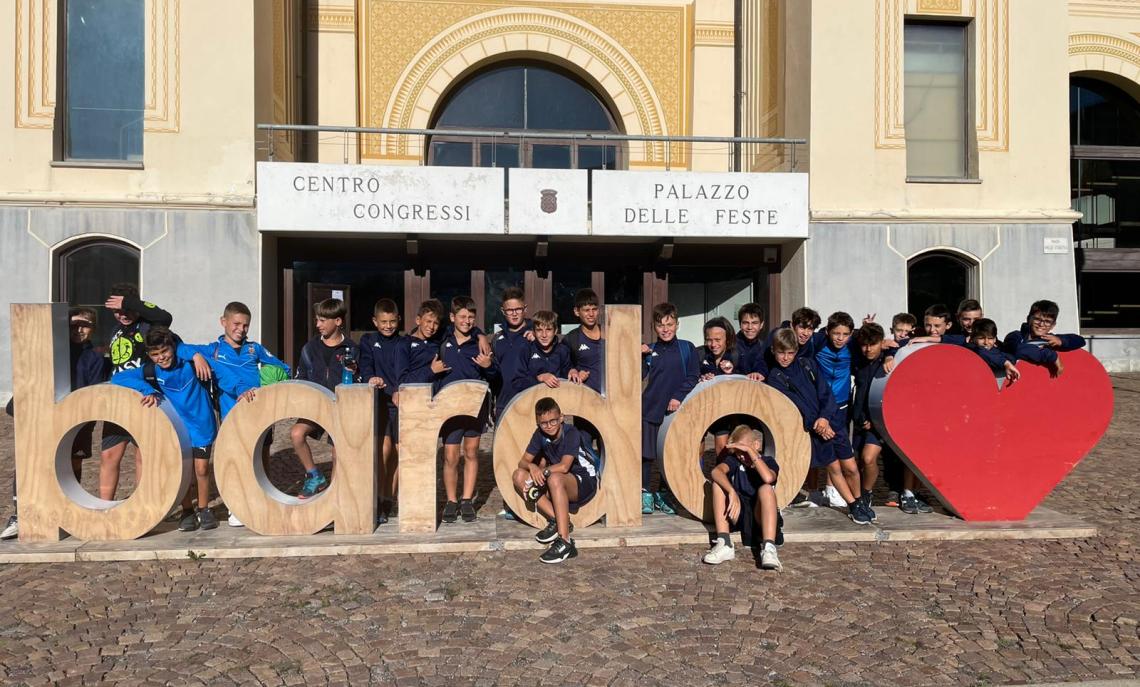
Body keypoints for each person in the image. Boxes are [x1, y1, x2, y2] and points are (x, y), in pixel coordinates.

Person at [176, 301, 289, 526]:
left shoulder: (254, 349)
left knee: (260, 456)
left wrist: (269, 379)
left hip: (259, 413)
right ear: (223, 322)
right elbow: (180, 348)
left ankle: (263, 498)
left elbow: (282, 367)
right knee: (236, 459)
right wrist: (197, 356)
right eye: (236, 323)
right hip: (231, 416)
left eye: (246, 325)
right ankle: (235, 506)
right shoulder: (213, 350)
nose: (241, 329)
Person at [112, 327, 219, 531]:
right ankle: (187, 510)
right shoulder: (151, 371)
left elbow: (204, 350)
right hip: (177, 427)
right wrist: (147, 389)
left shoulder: (189, 361)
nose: (161, 357)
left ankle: (204, 509)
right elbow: (119, 378)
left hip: (201, 424)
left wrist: (196, 356)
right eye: (155, 354)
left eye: (165, 351)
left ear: (173, 347)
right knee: (183, 470)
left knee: (202, 469)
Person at [764, 328, 874, 525]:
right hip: (815, 431)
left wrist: (825, 418)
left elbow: (825, 394)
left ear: (796, 351)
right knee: (834, 468)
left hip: (832, 422)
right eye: (781, 353)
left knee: (851, 466)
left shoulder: (808, 365)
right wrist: (817, 425)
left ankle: (860, 501)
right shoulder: (775, 377)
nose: (785, 357)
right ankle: (852, 505)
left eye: (790, 352)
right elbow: (793, 407)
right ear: (773, 351)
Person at [100, 284, 174, 501]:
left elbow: (165, 317)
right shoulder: (115, 331)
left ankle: (144, 505)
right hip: (117, 402)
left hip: (144, 399)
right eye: (117, 311)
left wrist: (129, 303)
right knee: (109, 455)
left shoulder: (147, 326)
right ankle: (104, 507)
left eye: (125, 309)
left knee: (143, 455)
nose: (122, 315)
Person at [511, 397, 600, 564]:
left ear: (561, 418)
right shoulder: (539, 435)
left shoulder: (571, 432)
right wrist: (532, 467)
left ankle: (565, 542)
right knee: (519, 475)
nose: (549, 426)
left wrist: (542, 471)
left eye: (553, 421)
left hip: (583, 481)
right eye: (544, 423)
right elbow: (522, 462)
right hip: (556, 481)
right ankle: (557, 519)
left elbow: (565, 466)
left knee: (554, 477)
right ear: (538, 423)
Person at [437, 296, 498, 523]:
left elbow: (493, 376)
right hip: (450, 407)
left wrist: (488, 366)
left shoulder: (480, 343)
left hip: (475, 406)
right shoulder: (442, 339)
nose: (467, 321)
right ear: (452, 318)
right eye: (462, 317)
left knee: (471, 452)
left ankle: (466, 500)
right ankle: (451, 501)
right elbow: (420, 330)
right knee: (451, 456)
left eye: (471, 317)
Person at [291, 298, 360, 499]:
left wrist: (355, 373)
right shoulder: (309, 348)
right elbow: (300, 378)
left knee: (338, 451)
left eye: (323, 320)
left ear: (338, 321)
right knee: (296, 434)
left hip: (341, 408)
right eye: (317, 320)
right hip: (316, 407)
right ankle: (314, 476)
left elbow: (360, 382)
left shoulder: (352, 348)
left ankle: (335, 495)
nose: (318, 325)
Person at [641, 302, 699, 515]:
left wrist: (677, 397)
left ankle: (665, 494)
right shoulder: (649, 350)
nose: (665, 329)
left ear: (677, 324)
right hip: (649, 410)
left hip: (676, 412)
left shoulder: (687, 348)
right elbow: (635, 378)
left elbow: (693, 376)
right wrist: (637, 355)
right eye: (660, 325)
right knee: (646, 455)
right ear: (654, 327)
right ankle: (646, 492)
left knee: (671, 455)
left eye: (669, 324)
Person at [703, 425, 782, 570]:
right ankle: (724, 543)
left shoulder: (768, 461)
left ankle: (769, 548)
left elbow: (768, 477)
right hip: (739, 512)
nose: (741, 455)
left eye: (744, 450)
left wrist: (751, 453)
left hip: (761, 514)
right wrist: (731, 491)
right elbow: (716, 472)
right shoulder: (735, 461)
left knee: (766, 488)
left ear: (756, 445)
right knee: (718, 484)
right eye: (738, 452)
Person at [358, 298, 405, 524]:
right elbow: (365, 364)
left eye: (392, 321)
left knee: (398, 453)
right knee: (383, 451)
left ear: (399, 320)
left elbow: (407, 371)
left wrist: (399, 390)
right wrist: (370, 378)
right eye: (384, 322)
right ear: (375, 321)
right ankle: (378, 497)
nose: (388, 326)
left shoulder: (404, 343)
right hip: (379, 403)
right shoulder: (368, 341)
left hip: (400, 404)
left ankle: (389, 499)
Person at [849, 323, 895, 511]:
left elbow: (901, 344)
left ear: (881, 343)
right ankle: (860, 493)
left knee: (868, 459)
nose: (868, 349)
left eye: (873, 344)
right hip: (858, 420)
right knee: (859, 462)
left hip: (877, 422)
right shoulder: (859, 360)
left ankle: (867, 492)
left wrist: (890, 353)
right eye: (864, 345)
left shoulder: (887, 360)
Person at [1003, 300, 1086, 376]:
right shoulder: (1015, 336)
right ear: (1029, 319)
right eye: (1037, 319)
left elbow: (1080, 340)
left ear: (1053, 325)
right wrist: (1052, 356)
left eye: (1047, 321)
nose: (1041, 324)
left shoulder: (1050, 339)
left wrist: (1061, 341)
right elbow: (1019, 350)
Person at [696, 316, 741, 455]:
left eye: (717, 340)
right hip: (701, 407)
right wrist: (701, 379)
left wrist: (731, 373)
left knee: (722, 448)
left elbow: (743, 380)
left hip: (724, 409)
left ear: (727, 339)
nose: (713, 344)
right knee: (697, 445)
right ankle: (697, 476)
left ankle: (719, 476)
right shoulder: (699, 353)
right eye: (709, 340)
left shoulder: (736, 355)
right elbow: (690, 376)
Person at [491, 287, 533, 418]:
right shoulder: (497, 339)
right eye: (509, 310)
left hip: (530, 403)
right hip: (503, 404)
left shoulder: (536, 334)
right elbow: (494, 374)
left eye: (518, 309)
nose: (514, 314)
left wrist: (539, 340)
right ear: (503, 311)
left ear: (525, 309)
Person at [513, 310, 570, 392]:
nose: (544, 335)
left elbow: (568, 378)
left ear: (555, 330)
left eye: (548, 329)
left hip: (558, 399)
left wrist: (573, 372)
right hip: (531, 400)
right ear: (534, 332)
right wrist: (539, 378)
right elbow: (516, 383)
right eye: (539, 330)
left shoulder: (563, 350)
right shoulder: (526, 350)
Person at [399, 299, 449, 386]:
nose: (431, 327)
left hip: (436, 397)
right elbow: (402, 381)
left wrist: (480, 335)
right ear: (418, 320)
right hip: (414, 397)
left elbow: (458, 329)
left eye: (436, 323)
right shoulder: (404, 344)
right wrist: (431, 370)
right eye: (428, 321)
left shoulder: (437, 339)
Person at [564, 289, 604, 395]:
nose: (591, 314)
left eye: (594, 309)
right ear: (577, 312)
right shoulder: (571, 339)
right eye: (586, 310)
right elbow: (564, 364)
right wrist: (573, 371)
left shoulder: (609, 333)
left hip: (615, 398)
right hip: (587, 397)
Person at [969, 318, 1021, 385]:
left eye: (990, 338)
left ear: (995, 339)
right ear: (973, 338)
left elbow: (1011, 358)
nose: (986, 342)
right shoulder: (972, 349)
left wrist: (1007, 362)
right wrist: (1005, 363)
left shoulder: (996, 351)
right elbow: (982, 352)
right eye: (981, 338)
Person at [735, 303, 767, 378]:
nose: (750, 327)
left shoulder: (764, 348)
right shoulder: (729, 345)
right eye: (745, 323)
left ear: (761, 325)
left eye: (754, 323)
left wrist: (760, 373)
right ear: (740, 324)